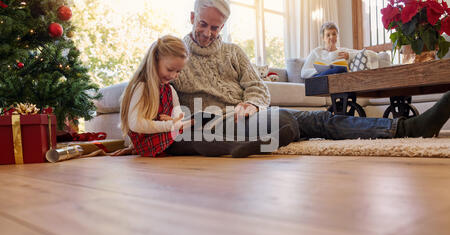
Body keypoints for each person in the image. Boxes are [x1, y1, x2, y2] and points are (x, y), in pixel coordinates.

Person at [114, 0, 450, 156]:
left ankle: (406, 129)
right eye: (202, 24)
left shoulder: (233, 52)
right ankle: (406, 129)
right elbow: (146, 85)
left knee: (317, 120)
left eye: (215, 27)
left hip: (247, 115)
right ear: (192, 17)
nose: (208, 33)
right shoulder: (177, 57)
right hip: (216, 123)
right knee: (304, 121)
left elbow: (257, 87)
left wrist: (250, 103)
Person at [119, 35, 272, 158]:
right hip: (150, 141)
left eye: (178, 72)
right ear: (154, 61)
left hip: (169, 133)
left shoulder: (169, 90)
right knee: (197, 140)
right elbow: (136, 124)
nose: (173, 76)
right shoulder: (141, 87)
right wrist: (171, 125)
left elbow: (177, 114)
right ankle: (239, 147)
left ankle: (244, 144)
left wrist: (178, 120)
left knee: (198, 133)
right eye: (170, 69)